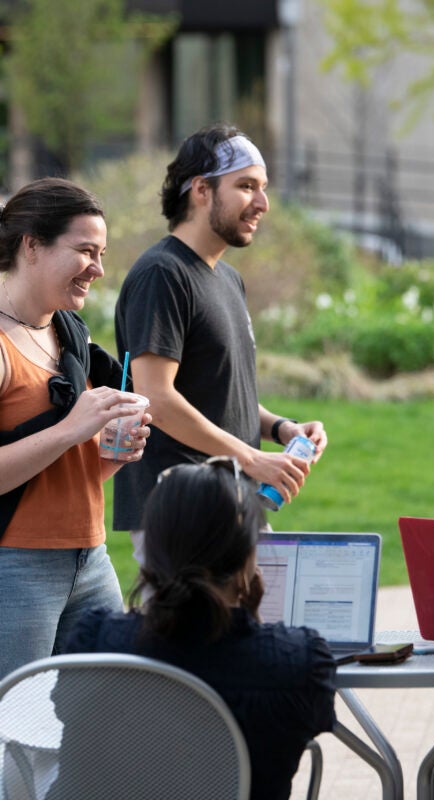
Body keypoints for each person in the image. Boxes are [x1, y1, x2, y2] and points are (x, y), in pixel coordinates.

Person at [63, 456, 337, 800]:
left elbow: (65, 714)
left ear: (153, 549)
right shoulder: (298, 663)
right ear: (249, 557)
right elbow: (316, 715)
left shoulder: (97, 643)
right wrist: (255, 622)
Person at [113, 124, 327, 562]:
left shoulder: (228, 279)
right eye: (246, 186)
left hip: (233, 503)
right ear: (201, 190)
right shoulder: (163, 274)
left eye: (263, 188)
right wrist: (251, 458)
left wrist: (281, 429)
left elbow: (219, 390)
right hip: (181, 510)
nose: (262, 204)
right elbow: (154, 397)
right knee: (188, 633)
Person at [0, 178, 150, 679]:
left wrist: (107, 456)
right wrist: (71, 428)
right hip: (15, 566)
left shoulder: (68, 331)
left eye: (102, 253)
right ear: (32, 245)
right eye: (85, 250)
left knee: (108, 714)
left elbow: (55, 474)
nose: (99, 269)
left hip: (90, 558)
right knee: (17, 734)